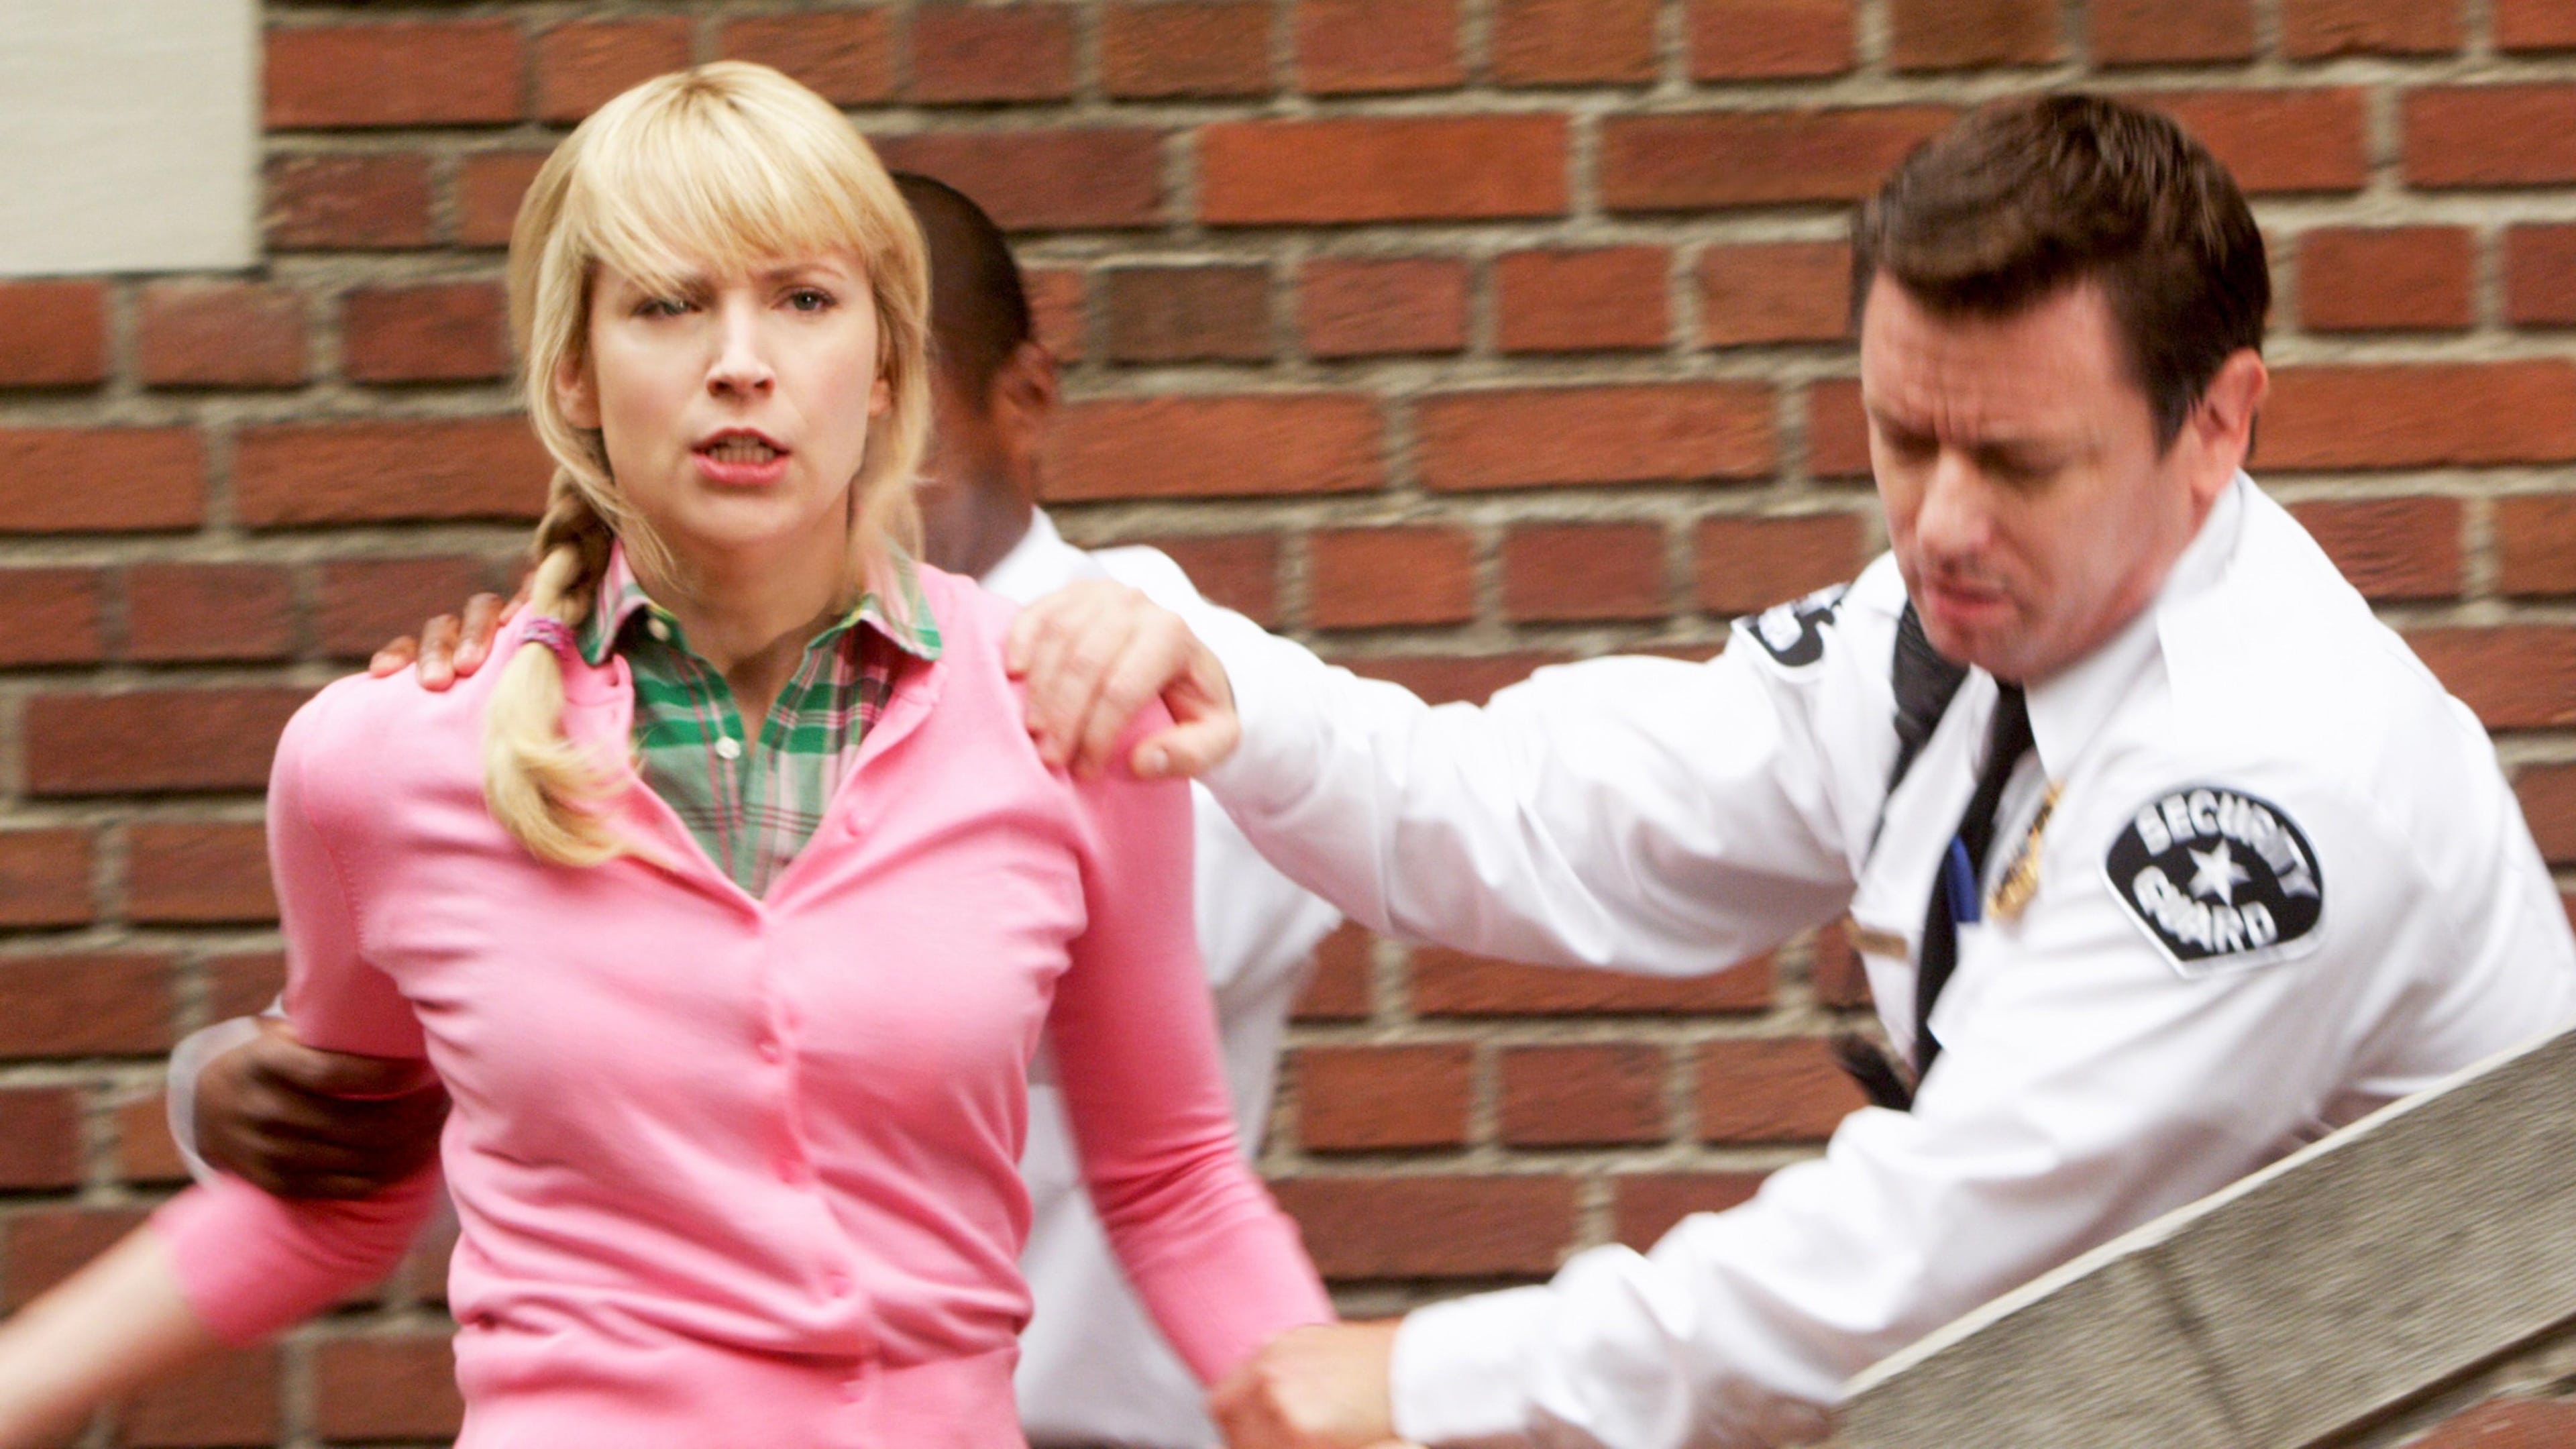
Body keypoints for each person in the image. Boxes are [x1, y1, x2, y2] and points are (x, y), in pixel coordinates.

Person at [1002, 93, 2576, 1447]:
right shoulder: (1954, 632)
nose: (1940, 523)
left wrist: (1428, 1381)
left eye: (2018, 461)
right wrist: (1237, 689)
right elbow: (1556, 815)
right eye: (1903, 437)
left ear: (2217, 423)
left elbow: (1930, 1248)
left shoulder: (2270, 783)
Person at [0, 62, 1331, 1449]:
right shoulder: (384, 757)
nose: (740, 361)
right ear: (573, 368)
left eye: (802, 301)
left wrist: (1373, 1415)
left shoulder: (1067, 716)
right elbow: (333, 1182)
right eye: (667, 303)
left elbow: (1178, 1187)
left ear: (886, 365)